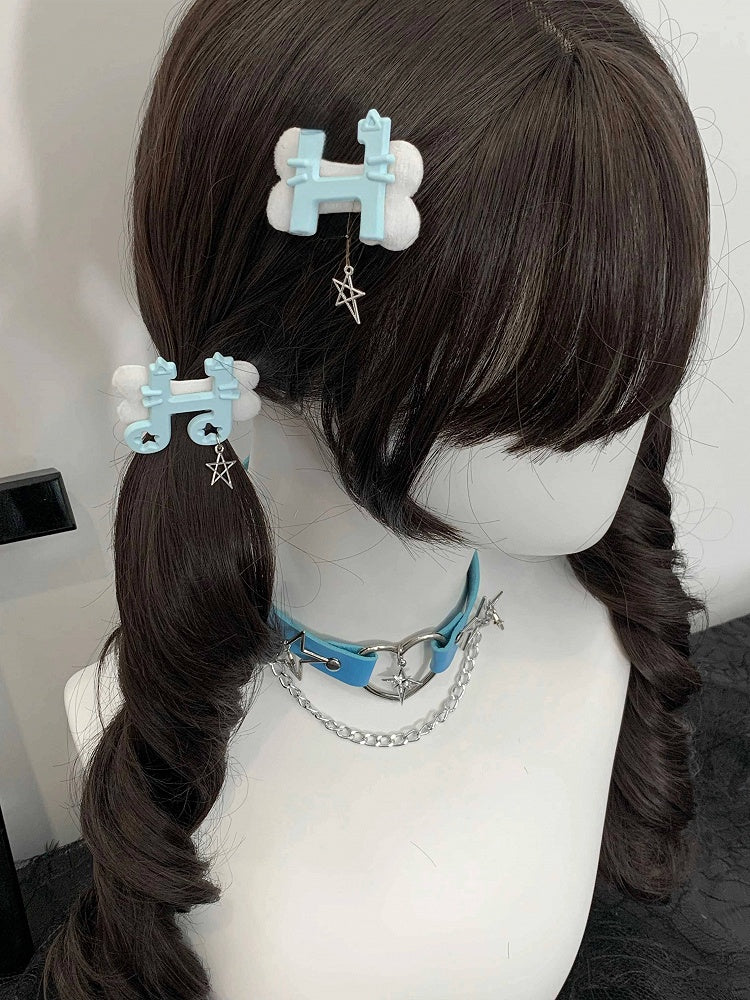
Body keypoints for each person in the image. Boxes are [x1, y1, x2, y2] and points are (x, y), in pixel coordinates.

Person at [49, 1, 711, 997]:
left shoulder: (590, 631)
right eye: (547, 361)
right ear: (288, 350)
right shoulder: (137, 736)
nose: (633, 398)